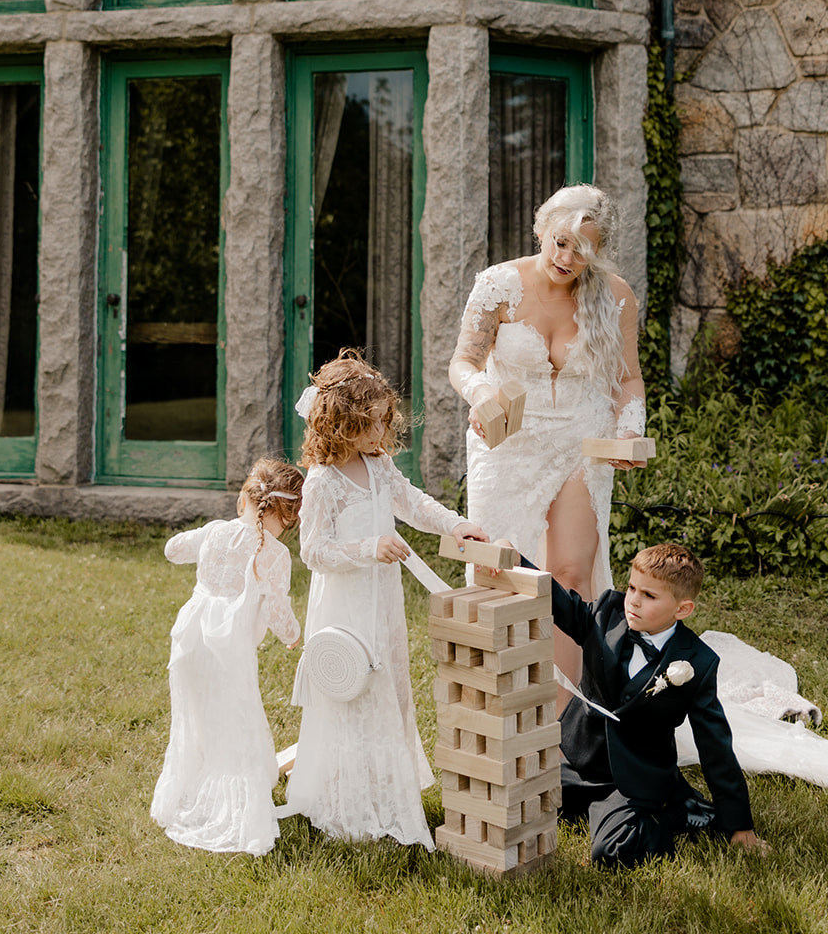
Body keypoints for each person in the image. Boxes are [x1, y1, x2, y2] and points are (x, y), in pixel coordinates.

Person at [285, 349, 488, 848]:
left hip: (383, 601)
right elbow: (314, 552)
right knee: (353, 689)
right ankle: (345, 799)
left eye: (384, 421)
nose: (381, 433)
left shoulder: (379, 466)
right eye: (370, 424)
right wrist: (368, 547)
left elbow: (412, 501)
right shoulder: (323, 482)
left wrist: (456, 524)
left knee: (388, 686)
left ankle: (383, 788)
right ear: (340, 425)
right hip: (345, 605)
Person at [448, 184, 645, 691]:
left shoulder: (616, 296)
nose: (566, 257)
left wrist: (629, 429)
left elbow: (627, 378)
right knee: (498, 570)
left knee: (570, 573)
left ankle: (565, 718)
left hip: (582, 440)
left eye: (582, 250)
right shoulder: (498, 286)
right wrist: (482, 392)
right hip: (508, 441)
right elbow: (463, 363)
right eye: (559, 242)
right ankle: (498, 698)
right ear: (541, 229)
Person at [546, 540, 767, 869]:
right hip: (580, 765)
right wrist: (509, 559)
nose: (633, 601)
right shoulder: (605, 614)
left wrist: (740, 825)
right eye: (632, 588)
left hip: (633, 781)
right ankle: (601, 807)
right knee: (521, 802)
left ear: (682, 609)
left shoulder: (696, 663)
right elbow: (558, 601)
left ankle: (669, 812)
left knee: (614, 853)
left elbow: (714, 744)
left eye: (649, 596)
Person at [151, 458, 303, 855]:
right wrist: (294, 636)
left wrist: (206, 539)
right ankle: (230, 805)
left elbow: (172, 550)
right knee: (236, 724)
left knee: (197, 717)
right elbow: (276, 611)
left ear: (244, 501)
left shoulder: (216, 533)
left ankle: (190, 786)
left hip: (189, 643)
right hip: (229, 653)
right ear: (287, 521)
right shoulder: (273, 555)